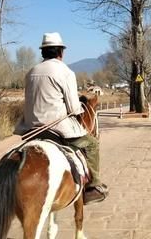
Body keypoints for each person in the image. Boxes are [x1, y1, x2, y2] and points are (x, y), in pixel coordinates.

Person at [14, 32, 108, 205]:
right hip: (57, 129)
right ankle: (94, 186)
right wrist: (79, 107)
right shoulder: (65, 72)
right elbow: (73, 108)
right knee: (92, 144)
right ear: (61, 52)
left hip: (30, 129)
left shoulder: (31, 72)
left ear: (43, 52)